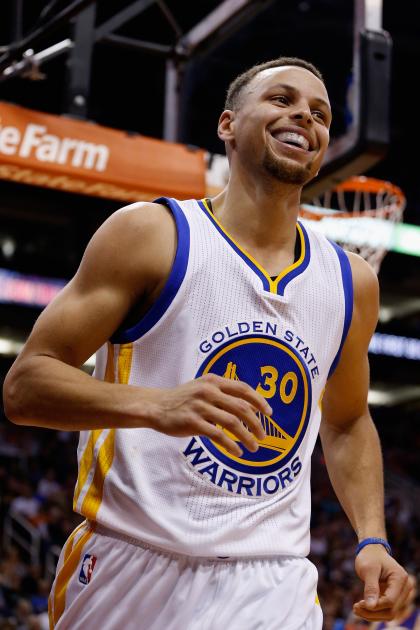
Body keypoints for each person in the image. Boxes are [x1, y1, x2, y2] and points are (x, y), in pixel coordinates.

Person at [3, 56, 411, 629]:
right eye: (282, 99)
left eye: (320, 113)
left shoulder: (352, 282)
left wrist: (372, 538)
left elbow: (345, 423)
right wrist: (157, 404)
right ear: (227, 125)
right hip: (133, 561)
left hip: (272, 577)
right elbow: (26, 386)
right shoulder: (151, 234)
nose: (305, 116)